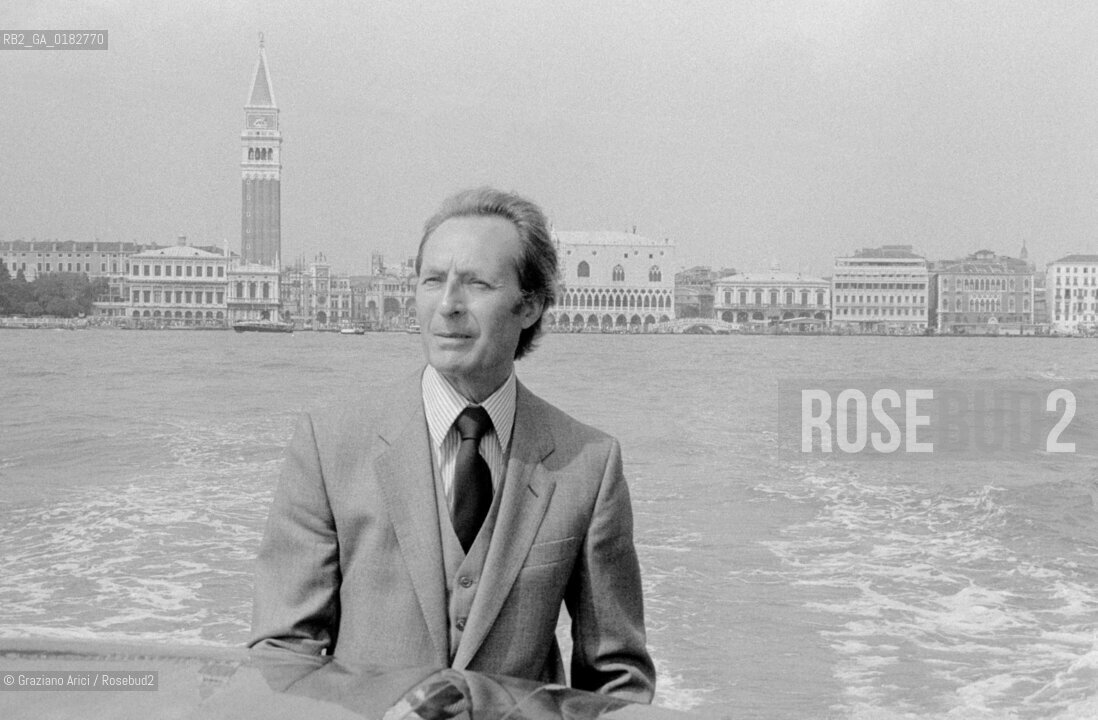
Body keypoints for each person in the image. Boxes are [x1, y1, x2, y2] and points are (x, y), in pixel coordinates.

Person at [249, 187, 656, 703]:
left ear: (530, 305)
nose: (447, 306)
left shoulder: (588, 466)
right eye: (432, 281)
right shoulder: (329, 446)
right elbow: (284, 657)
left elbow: (616, 681)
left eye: (476, 284)